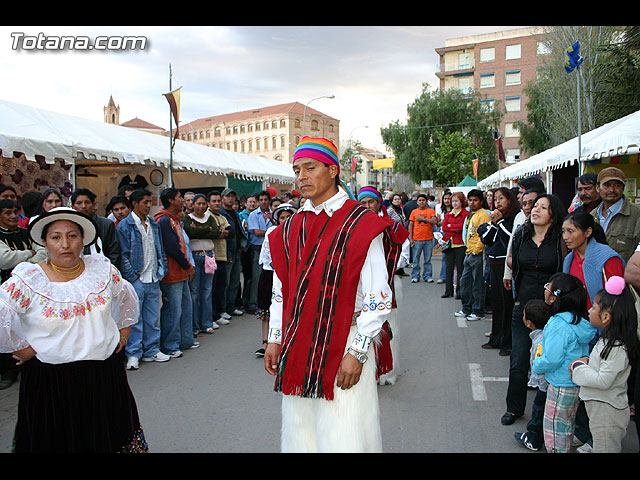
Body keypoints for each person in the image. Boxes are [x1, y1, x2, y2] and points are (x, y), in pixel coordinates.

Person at [264, 137, 392, 453]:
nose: (301, 177)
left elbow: (378, 296)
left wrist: (358, 352)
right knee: (301, 432)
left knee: (344, 435)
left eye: (310, 168)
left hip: (345, 341)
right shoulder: (289, 228)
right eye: (297, 170)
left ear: (333, 170)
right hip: (298, 344)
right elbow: (281, 290)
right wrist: (275, 338)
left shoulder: (362, 223)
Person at [0, 207, 147, 452]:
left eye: (72, 236)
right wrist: (23, 348)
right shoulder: (29, 278)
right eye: (56, 237)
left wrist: (124, 333)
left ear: (83, 239)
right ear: (45, 243)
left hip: (103, 375)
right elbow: (3, 312)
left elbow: (126, 297)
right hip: (51, 381)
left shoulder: (102, 271)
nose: (65, 244)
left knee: (106, 437)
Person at [501, 194, 566, 426]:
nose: (535, 210)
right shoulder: (521, 234)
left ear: (553, 214)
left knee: (551, 361)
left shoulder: (560, 239)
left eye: (543, 207)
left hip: (552, 310)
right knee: (519, 360)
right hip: (524, 307)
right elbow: (512, 260)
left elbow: (564, 269)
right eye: (535, 206)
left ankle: (547, 414)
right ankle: (513, 408)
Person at [570, 276, 640, 453]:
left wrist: (578, 369)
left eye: (594, 307)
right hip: (601, 408)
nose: (589, 310)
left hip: (607, 413)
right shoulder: (607, 341)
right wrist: (587, 362)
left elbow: (603, 380)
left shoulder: (616, 348)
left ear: (606, 317)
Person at [531, 273, 597, 453]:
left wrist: (537, 363)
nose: (545, 288)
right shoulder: (580, 322)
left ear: (554, 297)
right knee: (566, 425)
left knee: (554, 431)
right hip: (574, 382)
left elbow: (551, 359)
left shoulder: (557, 324)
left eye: (548, 286)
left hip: (560, 384)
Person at [357, 186, 409, 386]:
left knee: (388, 327)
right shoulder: (353, 227)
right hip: (359, 289)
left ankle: (388, 371)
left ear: (379, 203)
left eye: (371, 202)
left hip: (387, 284)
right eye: (363, 203)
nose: (367, 206)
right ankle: (366, 371)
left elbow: (403, 255)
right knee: (362, 328)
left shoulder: (392, 227)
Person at [116, 189, 170, 369]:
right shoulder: (125, 225)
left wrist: (161, 270)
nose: (148, 205)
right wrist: (132, 277)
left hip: (153, 277)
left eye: (149, 202)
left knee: (152, 317)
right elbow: (123, 254)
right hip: (137, 278)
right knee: (135, 319)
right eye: (145, 202)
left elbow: (159, 248)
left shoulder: (153, 223)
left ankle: (151, 349)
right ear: (135, 203)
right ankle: (133, 353)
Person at [0, 199, 49, 390]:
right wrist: (29, 253)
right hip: (7, 291)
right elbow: (4, 259)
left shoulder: (26, 233)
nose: (13, 216)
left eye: (15, 212)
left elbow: (43, 253)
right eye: (8, 213)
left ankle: (30, 362)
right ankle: (9, 369)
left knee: (28, 326)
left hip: (32, 290)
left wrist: (23, 263)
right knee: (8, 328)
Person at [154, 188, 196, 358]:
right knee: (173, 310)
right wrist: (188, 266)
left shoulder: (175, 219)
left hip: (181, 272)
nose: (183, 200)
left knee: (186, 307)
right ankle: (170, 345)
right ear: (171, 200)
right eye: (180, 197)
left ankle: (185, 340)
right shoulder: (164, 220)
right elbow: (172, 248)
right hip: (172, 274)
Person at [478, 187, 520, 354]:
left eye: (501, 198)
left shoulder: (514, 218)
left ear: (510, 199)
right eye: (495, 199)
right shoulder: (496, 219)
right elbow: (487, 239)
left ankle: (507, 342)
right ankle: (496, 338)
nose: (497, 202)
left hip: (506, 265)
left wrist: (500, 222)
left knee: (507, 304)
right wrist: (495, 224)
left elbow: (510, 237)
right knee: (497, 304)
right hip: (493, 264)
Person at [255, 202, 297, 357]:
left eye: (288, 217)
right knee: (268, 308)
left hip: (292, 275)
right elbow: (267, 256)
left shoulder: (299, 231)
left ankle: (288, 340)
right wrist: (279, 265)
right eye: (282, 217)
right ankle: (265, 341)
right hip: (271, 273)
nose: (285, 220)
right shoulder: (272, 232)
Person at [562, 210, 624, 309]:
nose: (565, 237)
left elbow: (616, 299)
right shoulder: (569, 260)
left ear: (588, 232)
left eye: (570, 231)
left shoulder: (608, 258)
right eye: (563, 231)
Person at [514, 299, 552, 451]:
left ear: (529, 323)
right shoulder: (545, 334)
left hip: (545, 385)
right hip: (547, 384)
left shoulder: (539, 342)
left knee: (539, 411)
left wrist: (536, 381)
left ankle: (534, 438)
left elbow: (540, 365)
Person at [183, 193, 220, 335]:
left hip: (208, 256)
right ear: (192, 204)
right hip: (194, 256)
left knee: (207, 291)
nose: (201, 206)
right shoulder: (188, 218)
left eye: (204, 203)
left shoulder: (210, 217)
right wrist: (206, 230)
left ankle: (207, 323)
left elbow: (216, 233)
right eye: (198, 203)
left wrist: (199, 230)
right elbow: (190, 232)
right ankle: (195, 326)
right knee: (194, 292)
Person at [455, 189, 491, 321]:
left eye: (475, 200)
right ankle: (466, 308)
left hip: (477, 253)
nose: (472, 203)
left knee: (478, 284)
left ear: (481, 201)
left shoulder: (484, 215)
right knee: (465, 282)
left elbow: (484, 234)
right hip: (469, 252)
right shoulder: (471, 215)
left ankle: (478, 310)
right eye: (470, 200)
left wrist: (476, 250)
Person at [592, 166, 640, 263]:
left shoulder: (636, 214)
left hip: (625, 272)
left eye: (617, 185)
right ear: (598, 188)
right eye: (607, 185)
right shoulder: (592, 216)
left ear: (623, 188)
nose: (612, 190)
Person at [71, 188, 122, 270]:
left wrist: (108, 271)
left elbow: (114, 253)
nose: (83, 206)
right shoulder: (69, 226)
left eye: (87, 202)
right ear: (73, 206)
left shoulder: (106, 224)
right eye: (79, 203)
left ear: (93, 205)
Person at [220, 188, 247, 318]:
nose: (231, 199)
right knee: (225, 283)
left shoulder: (235, 213)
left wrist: (242, 245)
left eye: (232, 196)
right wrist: (228, 253)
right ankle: (223, 309)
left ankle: (231, 306)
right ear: (222, 198)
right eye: (228, 196)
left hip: (237, 250)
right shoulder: (221, 214)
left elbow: (239, 231)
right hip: (227, 252)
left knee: (235, 282)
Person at [207, 190, 233, 327]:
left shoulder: (222, 217)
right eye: (214, 201)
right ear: (208, 203)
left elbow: (231, 232)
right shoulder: (207, 216)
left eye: (218, 201)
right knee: (211, 289)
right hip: (212, 257)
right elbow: (212, 232)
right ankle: (212, 316)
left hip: (222, 256)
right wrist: (221, 232)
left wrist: (222, 232)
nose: (217, 203)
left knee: (221, 287)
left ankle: (219, 313)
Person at [247, 190, 273, 313]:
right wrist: (272, 232)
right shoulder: (253, 215)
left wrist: (272, 221)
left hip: (271, 248)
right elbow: (256, 232)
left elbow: (279, 226)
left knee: (268, 277)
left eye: (265, 200)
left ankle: (266, 302)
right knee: (256, 277)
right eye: (261, 200)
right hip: (257, 248)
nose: (263, 202)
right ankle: (252, 303)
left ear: (269, 201)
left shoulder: (273, 214)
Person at [441, 192, 469, 299]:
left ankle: (459, 291)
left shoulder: (466, 214)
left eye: (457, 201)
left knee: (461, 269)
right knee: (448, 268)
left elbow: (462, 227)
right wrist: (454, 228)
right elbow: (444, 227)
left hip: (460, 244)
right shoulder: (448, 214)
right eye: (453, 201)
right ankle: (448, 291)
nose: (454, 203)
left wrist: (451, 226)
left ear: (462, 202)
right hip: (449, 244)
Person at [408, 193, 437, 283]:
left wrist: (423, 219)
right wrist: (410, 238)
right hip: (416, 239)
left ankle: (427, 276)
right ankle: (415, 276)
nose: (421, 202)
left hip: (428, 239)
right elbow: (410, 225)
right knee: (415, 259)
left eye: (423, 200)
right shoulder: (414, 212)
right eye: (420, 200)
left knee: (427, 259)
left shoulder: (431, 211)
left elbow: (434, 221)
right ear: (417, 202)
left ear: (426, 201)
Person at [435, 190, 453, 284]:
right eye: (445, 199)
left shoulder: (455, 209)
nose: (447, 200)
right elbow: (437, 223)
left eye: (448, 198)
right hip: (443, 233)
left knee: (454, 256)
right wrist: (444, 223)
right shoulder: (440, 209)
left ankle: (453, 278)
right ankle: (443, 276)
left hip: (453, 233)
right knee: (445, 256)